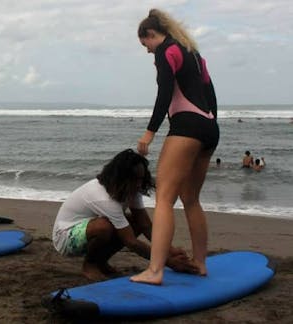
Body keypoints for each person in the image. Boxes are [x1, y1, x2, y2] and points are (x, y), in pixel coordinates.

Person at [130, 9, 219, 285]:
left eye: (145, 44)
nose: (147, 52)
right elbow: (210, 94)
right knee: (191, 199)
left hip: (187, 127)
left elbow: (165, 93)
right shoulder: (192, 52)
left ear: (152, 35)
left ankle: (155, 271)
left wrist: (149, 133)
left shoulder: (165, 51)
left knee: (164, 199)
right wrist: (210, 125)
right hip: (209, 127)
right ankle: (201, 263)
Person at [52, 149, 198, 281]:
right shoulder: (103, 197)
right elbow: (131, 242)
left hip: (88, 228)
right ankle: (89, 265)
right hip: (65, 237)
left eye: (141, 179)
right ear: (121, 178)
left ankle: (101, 262)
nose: (139, 184)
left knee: (133, 222)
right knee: (105, 227)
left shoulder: (130, 190)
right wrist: (170, 263)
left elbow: (145, 225)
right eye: (135, 179)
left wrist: (169, 250)